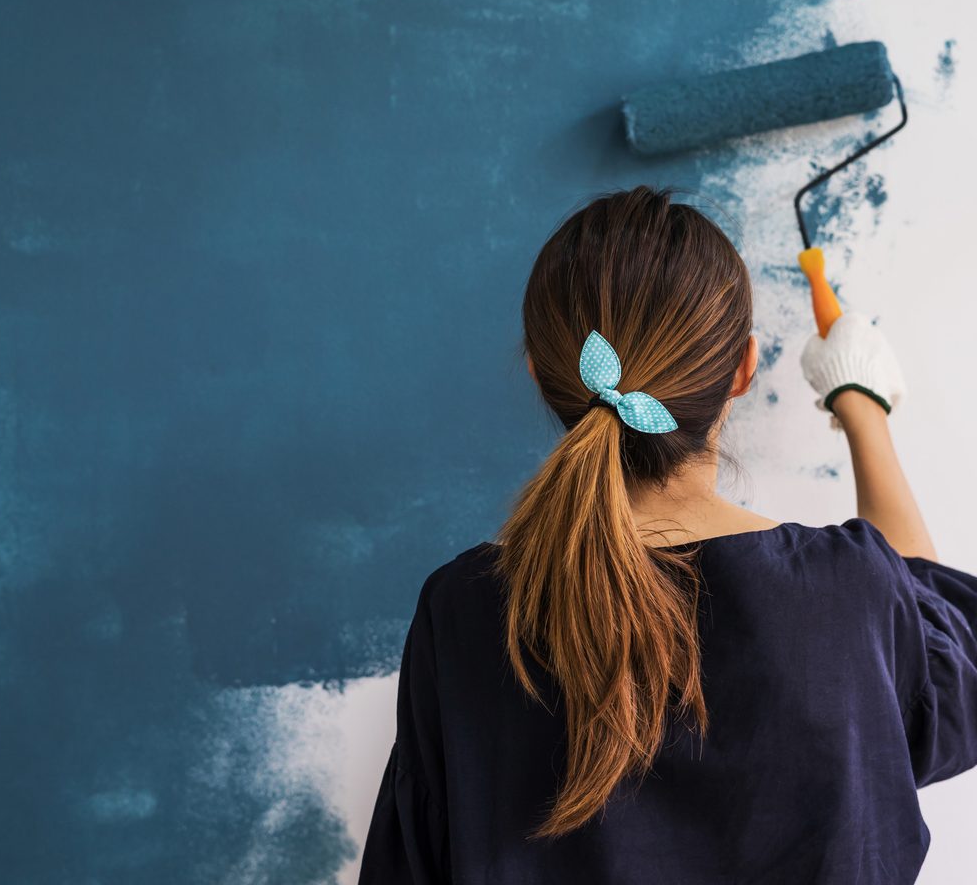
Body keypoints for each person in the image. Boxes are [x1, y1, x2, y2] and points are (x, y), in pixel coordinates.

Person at [357, 185, 977, 884]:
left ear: (540, 375)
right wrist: (862, 406)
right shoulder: (843, 593)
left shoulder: (463, 613)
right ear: (743, 369)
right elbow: (951, 662)